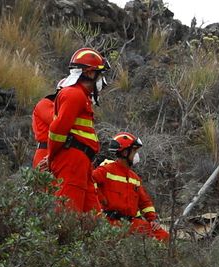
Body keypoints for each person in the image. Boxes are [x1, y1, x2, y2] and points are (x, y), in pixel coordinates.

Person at [44, 47, 109, 213]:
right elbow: (57, 130)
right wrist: (51, 157)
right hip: (72, 161)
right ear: (88, 73)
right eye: (99, 74)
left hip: (82, 162)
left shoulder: (81, 97)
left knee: (92, 218)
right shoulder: (74, 95)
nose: (101, 80)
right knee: (68, 214)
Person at [94, 132, 169, 242]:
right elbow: (89, 180)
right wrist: (101, 199)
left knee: (165, 237)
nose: (136, 155)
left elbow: (145, 203)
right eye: (134, 151)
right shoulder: (106, 170)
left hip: (132, 223)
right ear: (125, 152)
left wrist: (152, 219)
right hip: (110, 222)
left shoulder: (135, 178)